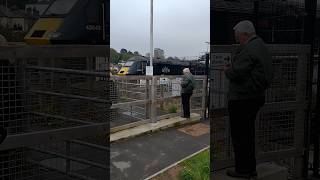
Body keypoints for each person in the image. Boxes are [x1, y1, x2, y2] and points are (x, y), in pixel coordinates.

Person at [224, 20, 273, 178]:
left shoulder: (249, 49)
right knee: (248, 134)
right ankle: (249, 168)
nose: (236, 39)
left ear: (245, 34)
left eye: (237, 36)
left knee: (240, 136)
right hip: (255, 97)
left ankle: (243, 170)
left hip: (243, 98)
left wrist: (228, 70)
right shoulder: (261, 46)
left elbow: (236, 72)